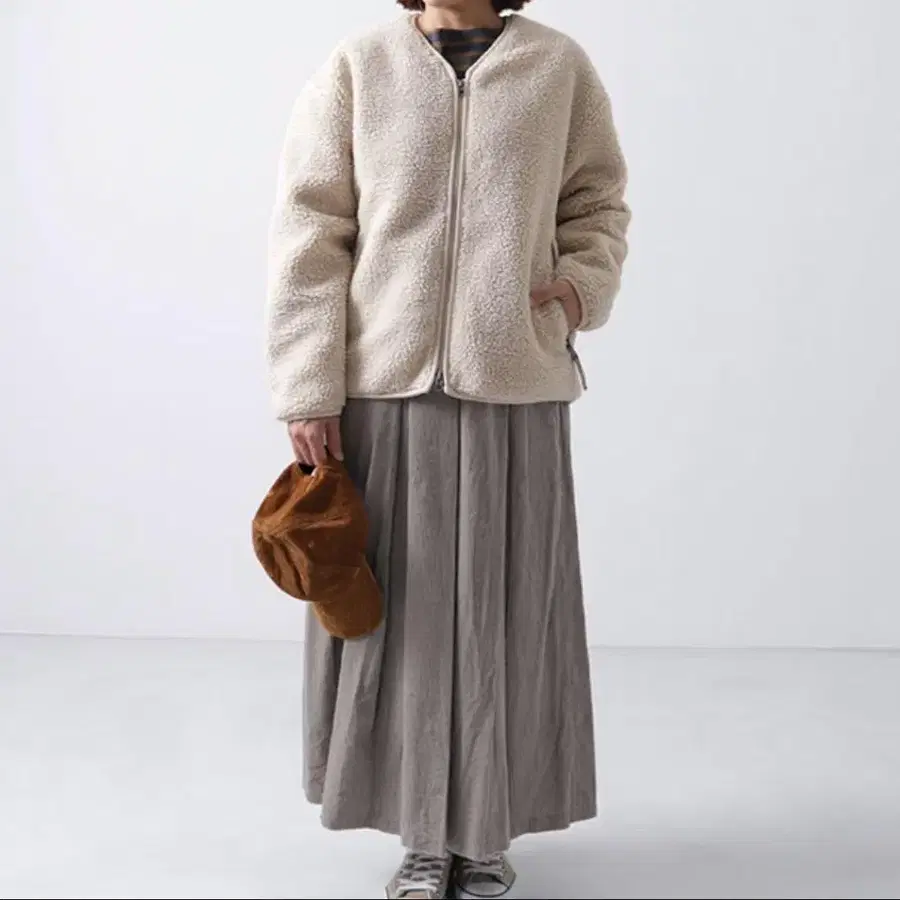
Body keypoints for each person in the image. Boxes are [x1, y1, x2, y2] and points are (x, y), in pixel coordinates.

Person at [265, 0, 629, 896]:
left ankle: (485, 834)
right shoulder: (359, 66)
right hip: (383, 390)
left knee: (508, 616)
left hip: (514, 387)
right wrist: (307, 384)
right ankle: (422, 836)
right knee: (401, 624)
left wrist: (576, 290)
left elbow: (599, 202)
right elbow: (311, 227)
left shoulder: (557, 66)